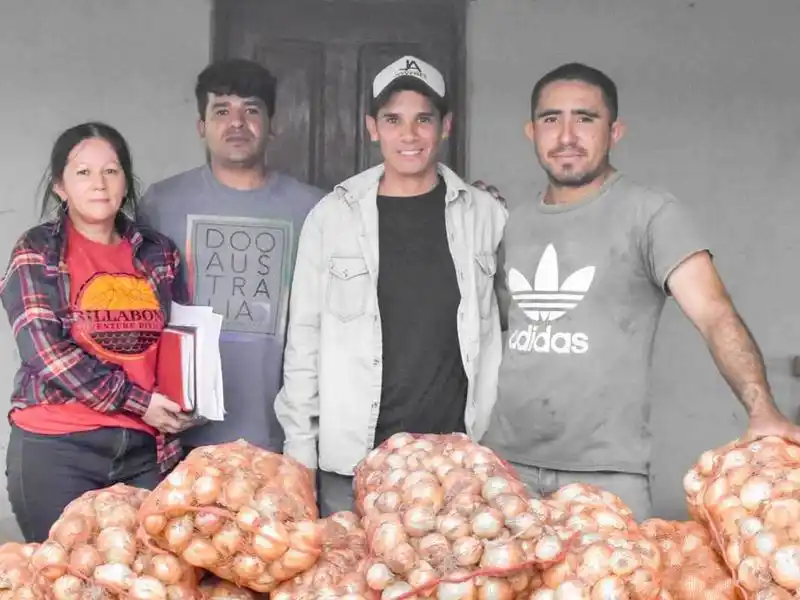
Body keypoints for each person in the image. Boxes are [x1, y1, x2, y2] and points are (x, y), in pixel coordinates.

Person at [479, 62, 800, 520]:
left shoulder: (650, 213)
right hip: (504, 467)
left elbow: (714, 313)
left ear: (616, 130)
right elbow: (495, 330)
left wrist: (762, 409)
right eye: (552, 119)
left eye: (585, 118)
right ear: (532, 131)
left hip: (606, 475)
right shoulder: (511, 222)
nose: (566, 135)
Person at [275, 55, 508, 515]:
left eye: (424, 119)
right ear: (371, 127)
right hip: (355, 463)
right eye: (393, 119)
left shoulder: (486, 215)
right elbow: (303, 342)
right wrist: (299, 461)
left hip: (457, 465)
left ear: (446, 126)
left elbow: (511, 333)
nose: (409, 135)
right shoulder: (333, 217)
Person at [0, 122, 191, 542]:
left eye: (111, 170)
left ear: (126, 180)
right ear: (60, 187)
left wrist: (186, 397)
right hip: (58, 447)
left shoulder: (158, 252)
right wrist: (139, 401)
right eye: (83, 172)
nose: (99, 184)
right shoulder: (37, 251)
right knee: (64, 577)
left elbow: (178, 339)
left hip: (146, 452)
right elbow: (45, 351)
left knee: (150, 578)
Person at [137, 58, 325, 454]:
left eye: (251, 110)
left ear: (274, 125)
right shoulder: (162, 201)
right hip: (181, 430)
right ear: (201, 127)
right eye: (221, 111)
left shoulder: (314, 208)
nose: (236, 123)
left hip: (283, 433)